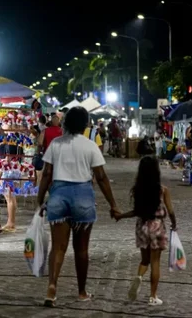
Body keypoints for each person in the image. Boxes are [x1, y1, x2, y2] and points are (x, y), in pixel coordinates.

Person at [37, 106, 120, 307]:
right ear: (85, 125)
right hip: (83, 196)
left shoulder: (56, 144)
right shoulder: (90, 146)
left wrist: (40, 199)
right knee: (81, 249)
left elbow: (47, 173)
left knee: (58, 247)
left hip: (59, 195)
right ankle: (82, 292)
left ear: (65, 123)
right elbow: (101, 177)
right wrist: (113, 205)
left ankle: (51, 288)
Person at [115, 156, 177, 306]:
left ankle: (139, 276)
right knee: (155, 262)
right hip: (157, 226)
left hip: (142, 226)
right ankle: (153, 296)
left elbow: (136, 211)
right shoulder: (163, 190)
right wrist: (174, 224)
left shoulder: (138, 190)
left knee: (145, 260)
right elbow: (170, 211)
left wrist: (121, 216)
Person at [0, 159, 22, 232]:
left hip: (7, 175)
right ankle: (11, 222)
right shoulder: (16, 159)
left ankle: (10, 223)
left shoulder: (5, 159)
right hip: (14, 172)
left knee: (9, 200)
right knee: (12, 199)